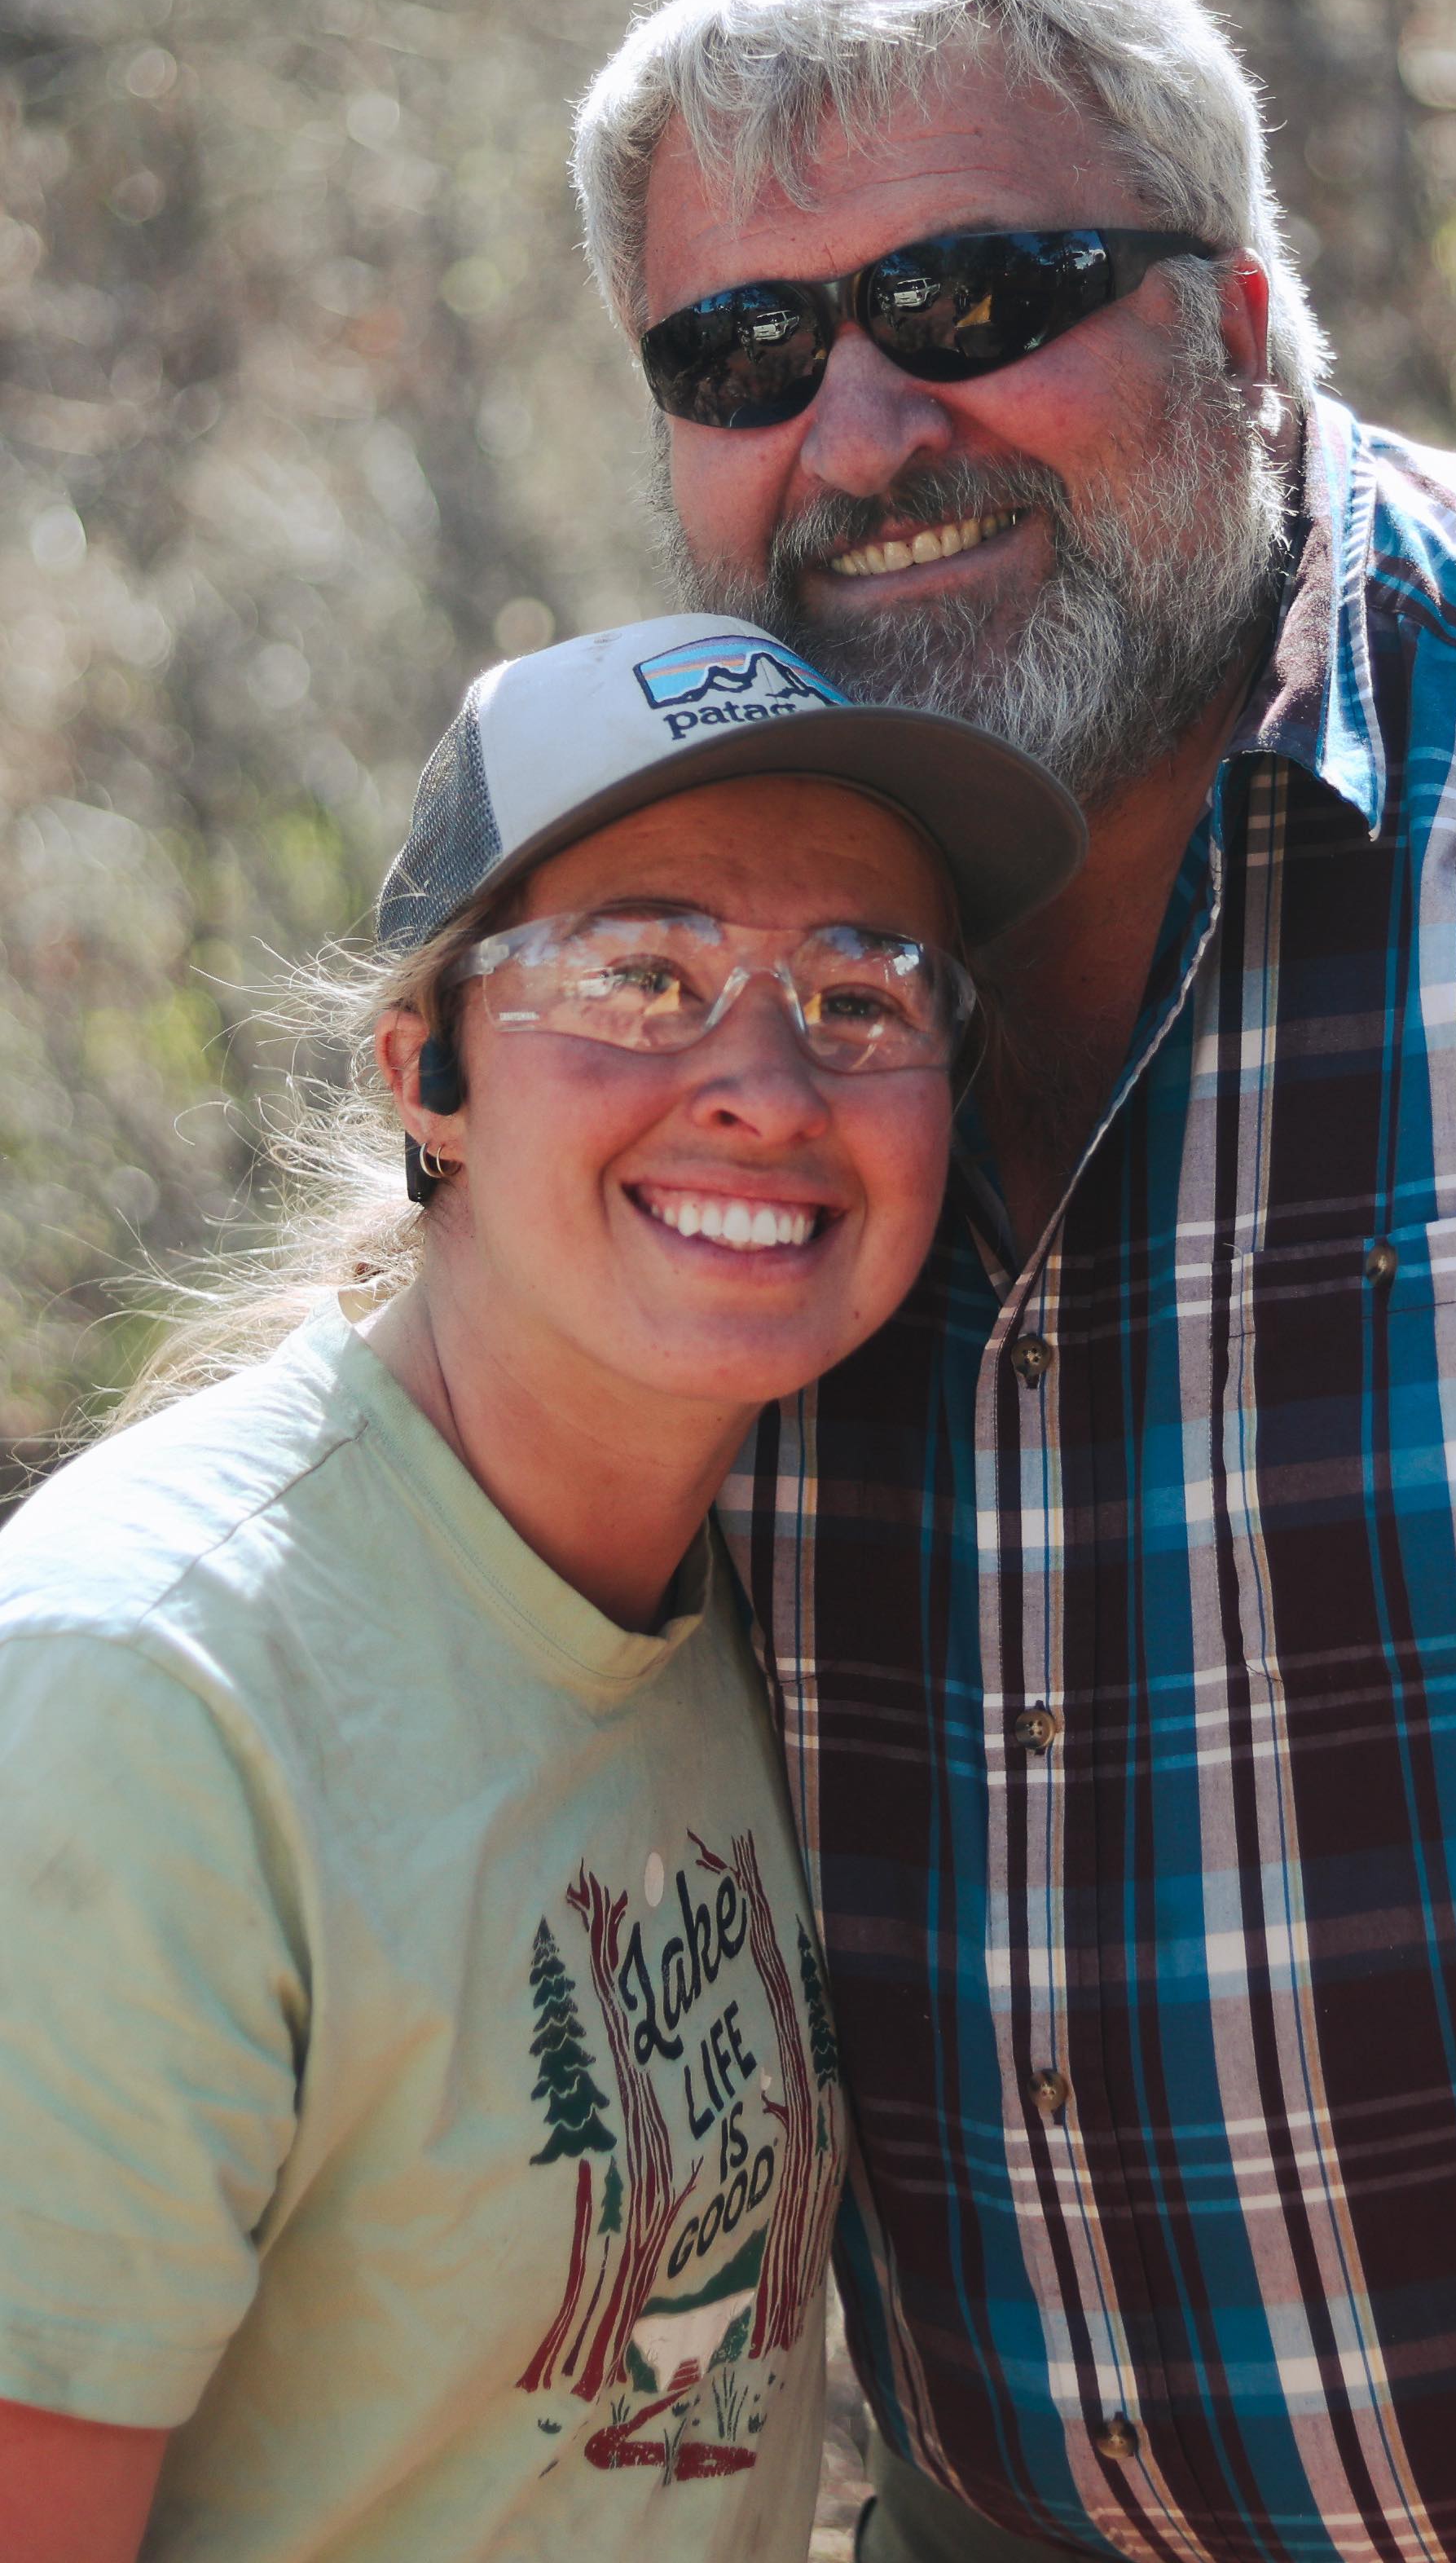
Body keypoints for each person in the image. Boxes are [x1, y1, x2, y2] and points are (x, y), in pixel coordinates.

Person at [570, 0, 1456, 2563]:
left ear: (1247, 319)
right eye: (748, 347)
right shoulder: (669, 985)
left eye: (979, 298)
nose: (869, 429)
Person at [0, 610, 1082, 2563]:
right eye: (643, 974)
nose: (764, 1080)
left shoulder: (763, 1606)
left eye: (860, 993)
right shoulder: (150, 1686)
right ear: (427, 1070)